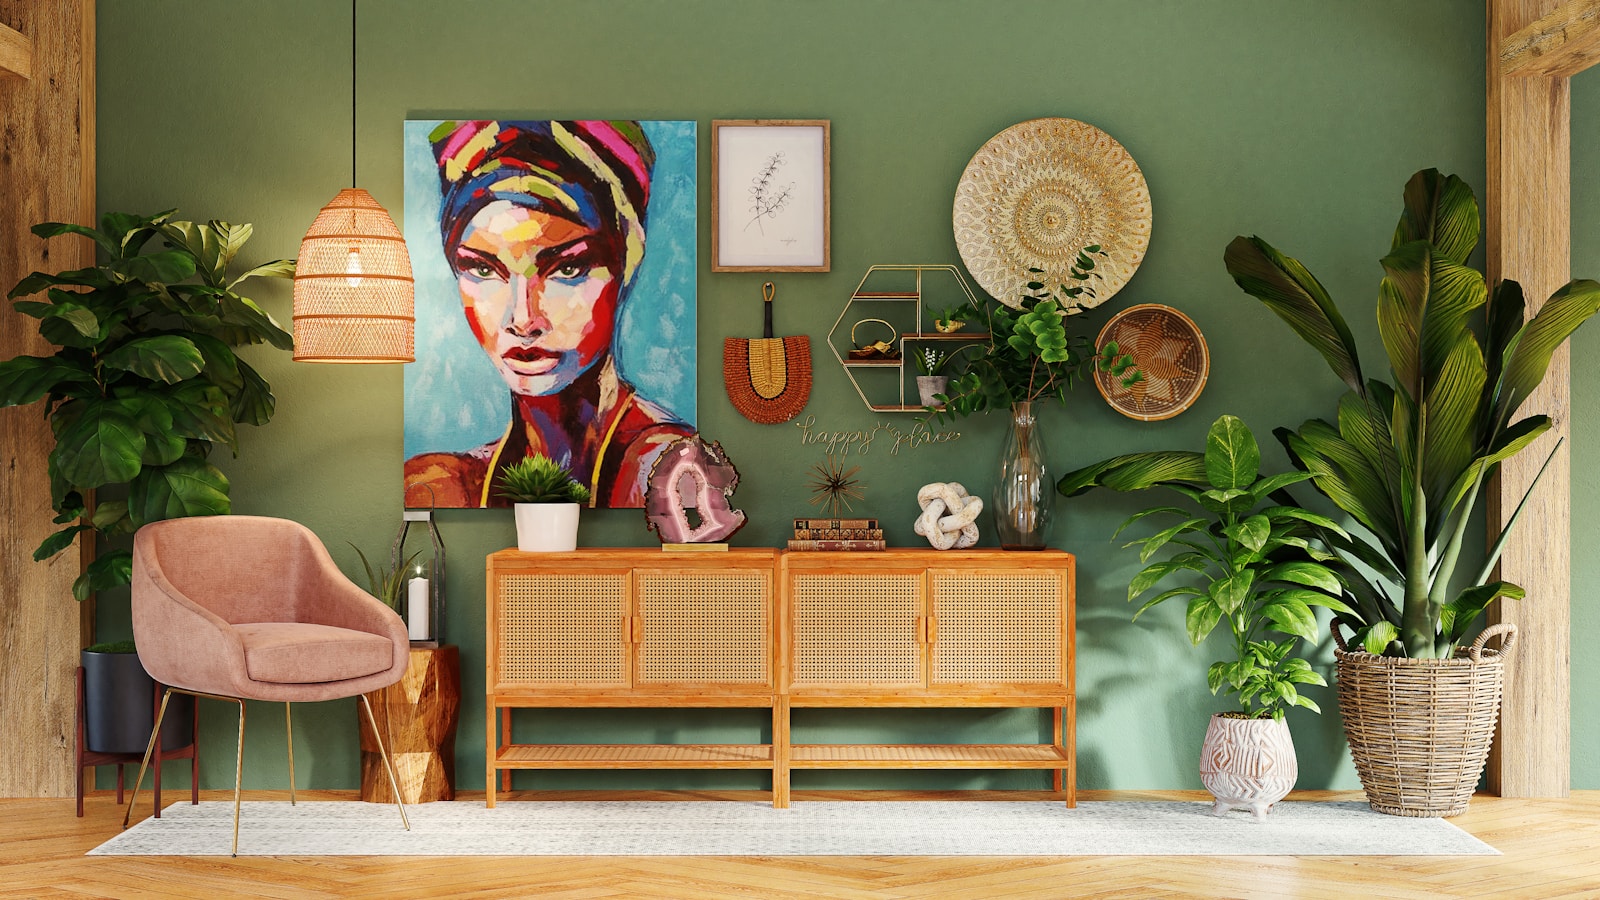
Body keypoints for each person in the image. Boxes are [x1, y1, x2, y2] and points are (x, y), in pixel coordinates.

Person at [404, 120, 692, 508]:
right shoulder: (442, 486)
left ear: (626, 264)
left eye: (567, 270)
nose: (523, 319)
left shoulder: (667, 469)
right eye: (484, 270)